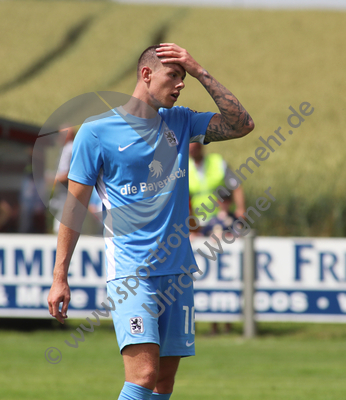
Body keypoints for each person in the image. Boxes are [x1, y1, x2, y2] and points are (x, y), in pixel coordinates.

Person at [47, 43, 254, 400]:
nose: (180, 85)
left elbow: (242, 124)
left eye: (183, 79)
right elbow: (74, 208)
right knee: (142, 375)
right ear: (146, 75)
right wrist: (59, 276)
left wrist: (199, 69)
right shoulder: (96, 132)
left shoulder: (181, 121)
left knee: (164, 383)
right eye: (173, 76)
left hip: (177, 271)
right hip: (131, 273)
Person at [188, 142, 246, 233]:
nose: (193, 149)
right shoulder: (184, 168)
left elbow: (236, 186)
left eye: (195, 147)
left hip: (221, 218)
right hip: (198, 222)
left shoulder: (217, 162)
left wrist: (240, 209)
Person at [49, 126, 75, 234]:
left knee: (63, 217)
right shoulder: (64, 148)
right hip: (62, 186)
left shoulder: (71, 147)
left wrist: (59, 178)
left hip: (68, 186)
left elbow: (73, 170)